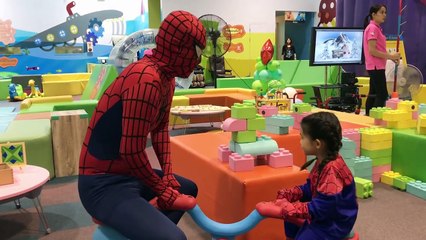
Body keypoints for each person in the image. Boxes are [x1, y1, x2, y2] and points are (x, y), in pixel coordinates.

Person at [78, 11, 206, 240]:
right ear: (177, 47)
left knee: (188, 188)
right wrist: (161, 188)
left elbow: (159, 129)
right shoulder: (145, 78)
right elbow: (131, 150)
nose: (197, 61)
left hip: (128, 175)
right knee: (175, 238)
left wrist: (167, 175)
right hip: (101, 182)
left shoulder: (166, 78)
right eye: (195, 52)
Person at [256, 112, 358, 240]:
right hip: (325, 214)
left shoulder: (332, 169)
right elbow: (311, 188)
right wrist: (292, 193)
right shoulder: (323, 161)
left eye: (302, 137)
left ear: (317, 144)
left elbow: (321, 208)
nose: (300, 142)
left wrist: (289, 207)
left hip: (334, 223)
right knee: (289, 219)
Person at [363, 4, 400, 116]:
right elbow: (372, 51)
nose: (384, 15)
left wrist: (391, 58)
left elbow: (380, 49)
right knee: (382, 94)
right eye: (381, 12)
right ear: (374, 14)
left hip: (377, 66)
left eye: (385, 12)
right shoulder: (372, 28)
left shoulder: (376, 28)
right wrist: (391, 57)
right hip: (375, 66)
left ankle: (368, 116)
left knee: (373, 93)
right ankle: (375, 118)